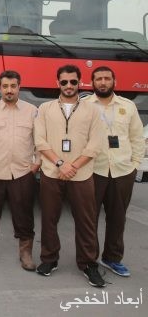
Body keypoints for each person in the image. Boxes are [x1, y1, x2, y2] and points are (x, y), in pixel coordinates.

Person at [34, 64, 106, 287]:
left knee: (86, 221)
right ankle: (49, 259)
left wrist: (72, 166)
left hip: (81, 175)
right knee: (49, 218)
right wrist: (60, 164)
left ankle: (88, 264)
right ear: (57, 83)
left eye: (73, 81)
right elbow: (40, 140)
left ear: (79, 82)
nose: (68, 85)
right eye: (64, 82)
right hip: (51, 172)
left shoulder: (92, 110)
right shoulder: (45, 108)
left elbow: (95, 144)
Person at [85, 66, 144, 278]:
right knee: (89, 219)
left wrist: (134, 164)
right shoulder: (84, 106)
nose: (103, 82)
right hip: (93, 170)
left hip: (122, 170)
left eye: (107, 78)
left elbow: (137, 137)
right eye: (98, 79)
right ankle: (89, 259)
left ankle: (112, 258)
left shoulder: (128, 106)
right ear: (92, 83)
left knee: (118, 218)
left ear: (114, 81)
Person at [0, 70, 39, 270]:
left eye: (13, 86)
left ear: (19, 87)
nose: (9, 90)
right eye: (5, 86)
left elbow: (39, 141)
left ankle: (26, 253)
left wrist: (36, 163)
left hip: (22, 171)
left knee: (24, 213)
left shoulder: (32, 111)